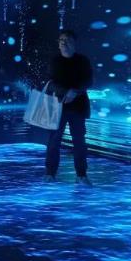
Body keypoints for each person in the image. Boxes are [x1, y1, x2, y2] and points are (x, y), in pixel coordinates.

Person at [44, 30, 93, 185]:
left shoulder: (83, 60)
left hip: (78, 108)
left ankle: (81, 175)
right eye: (61, 40)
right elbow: (49, 83)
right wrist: (66, 92)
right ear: (58, 44)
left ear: (74, 43)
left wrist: (75, 91)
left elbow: (89, 81)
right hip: (57, 107)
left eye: (67, 40)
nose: (64, 43)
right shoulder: (54, 61)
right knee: (54, 142)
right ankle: (50, 173)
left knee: (79, 142)